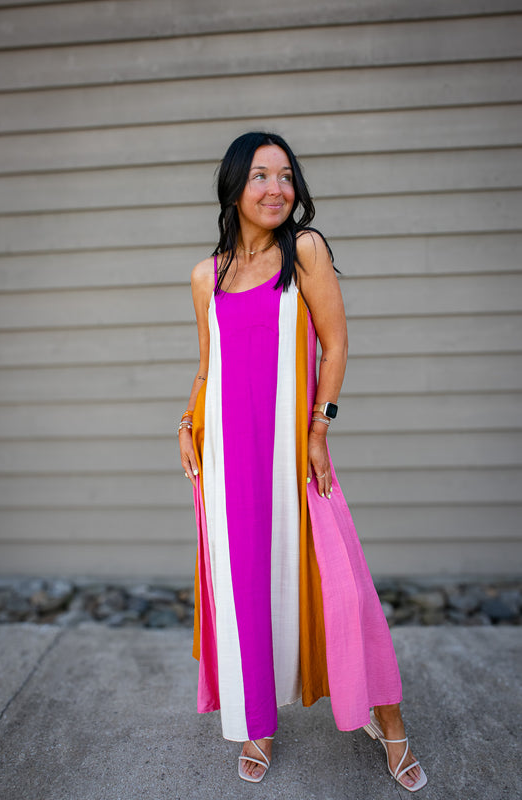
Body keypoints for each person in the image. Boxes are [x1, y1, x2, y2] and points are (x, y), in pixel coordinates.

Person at [178, 131, 427, 792]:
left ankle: (389, 722)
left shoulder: (305, 250)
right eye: (260, 176)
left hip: (295, 452)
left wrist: (320, 430)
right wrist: (185, 422)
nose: (275, 189)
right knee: (245, 590)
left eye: (286, 176)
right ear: (234, 186)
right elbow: (210, 370)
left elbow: (336, 345)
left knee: (340, 587)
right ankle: (258, 721)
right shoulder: (207, 274)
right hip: (227, 456)